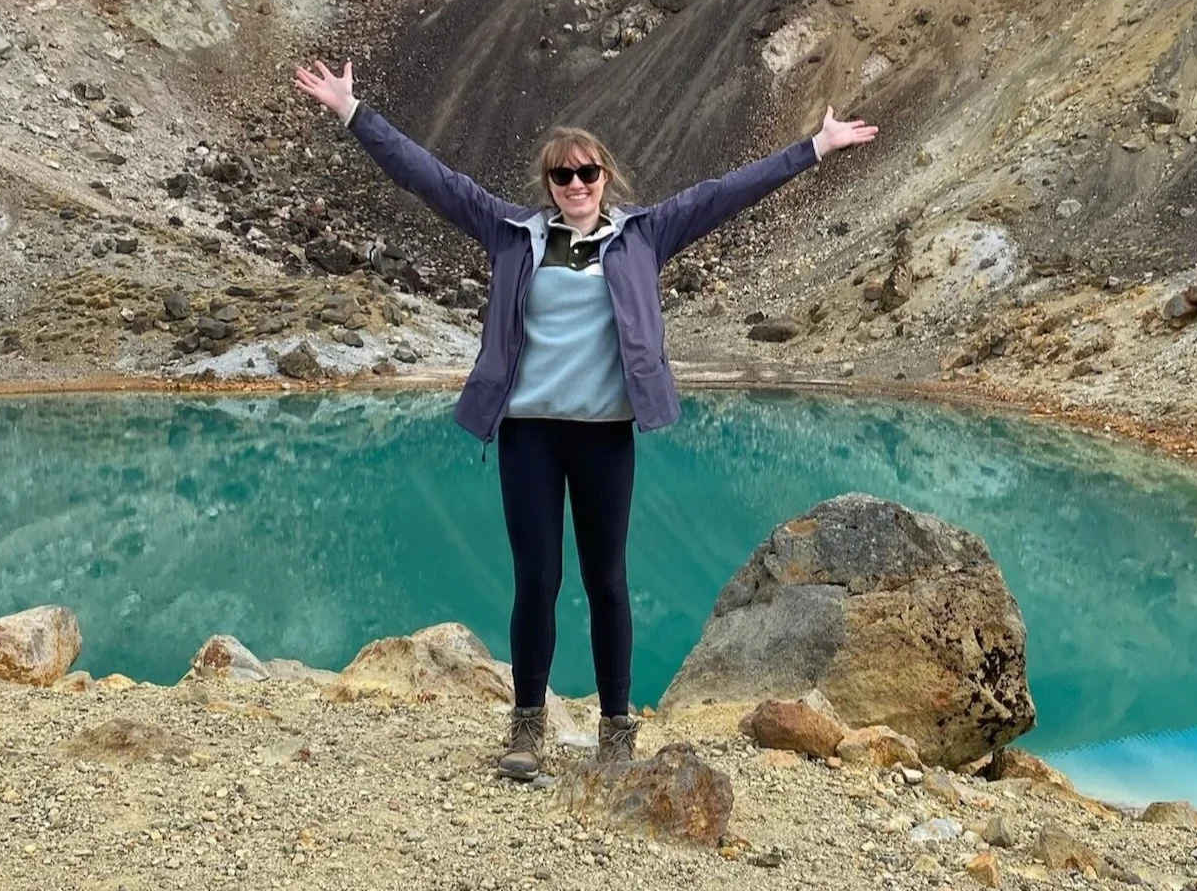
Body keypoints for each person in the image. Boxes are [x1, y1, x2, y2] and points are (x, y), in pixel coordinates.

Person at [294, 58, 878, 779]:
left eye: (587, 173)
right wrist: (353, 112)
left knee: (607, 582)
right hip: (529, 434)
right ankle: (526, 731)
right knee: (536, 581)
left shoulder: (645, 234)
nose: (576, 185)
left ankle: (616, 733)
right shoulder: (510, 232)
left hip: (604, 436)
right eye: (562, 176)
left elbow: (728, 193)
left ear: (606, 177)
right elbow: (430, 178)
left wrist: (815, 147)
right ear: (547, 185)